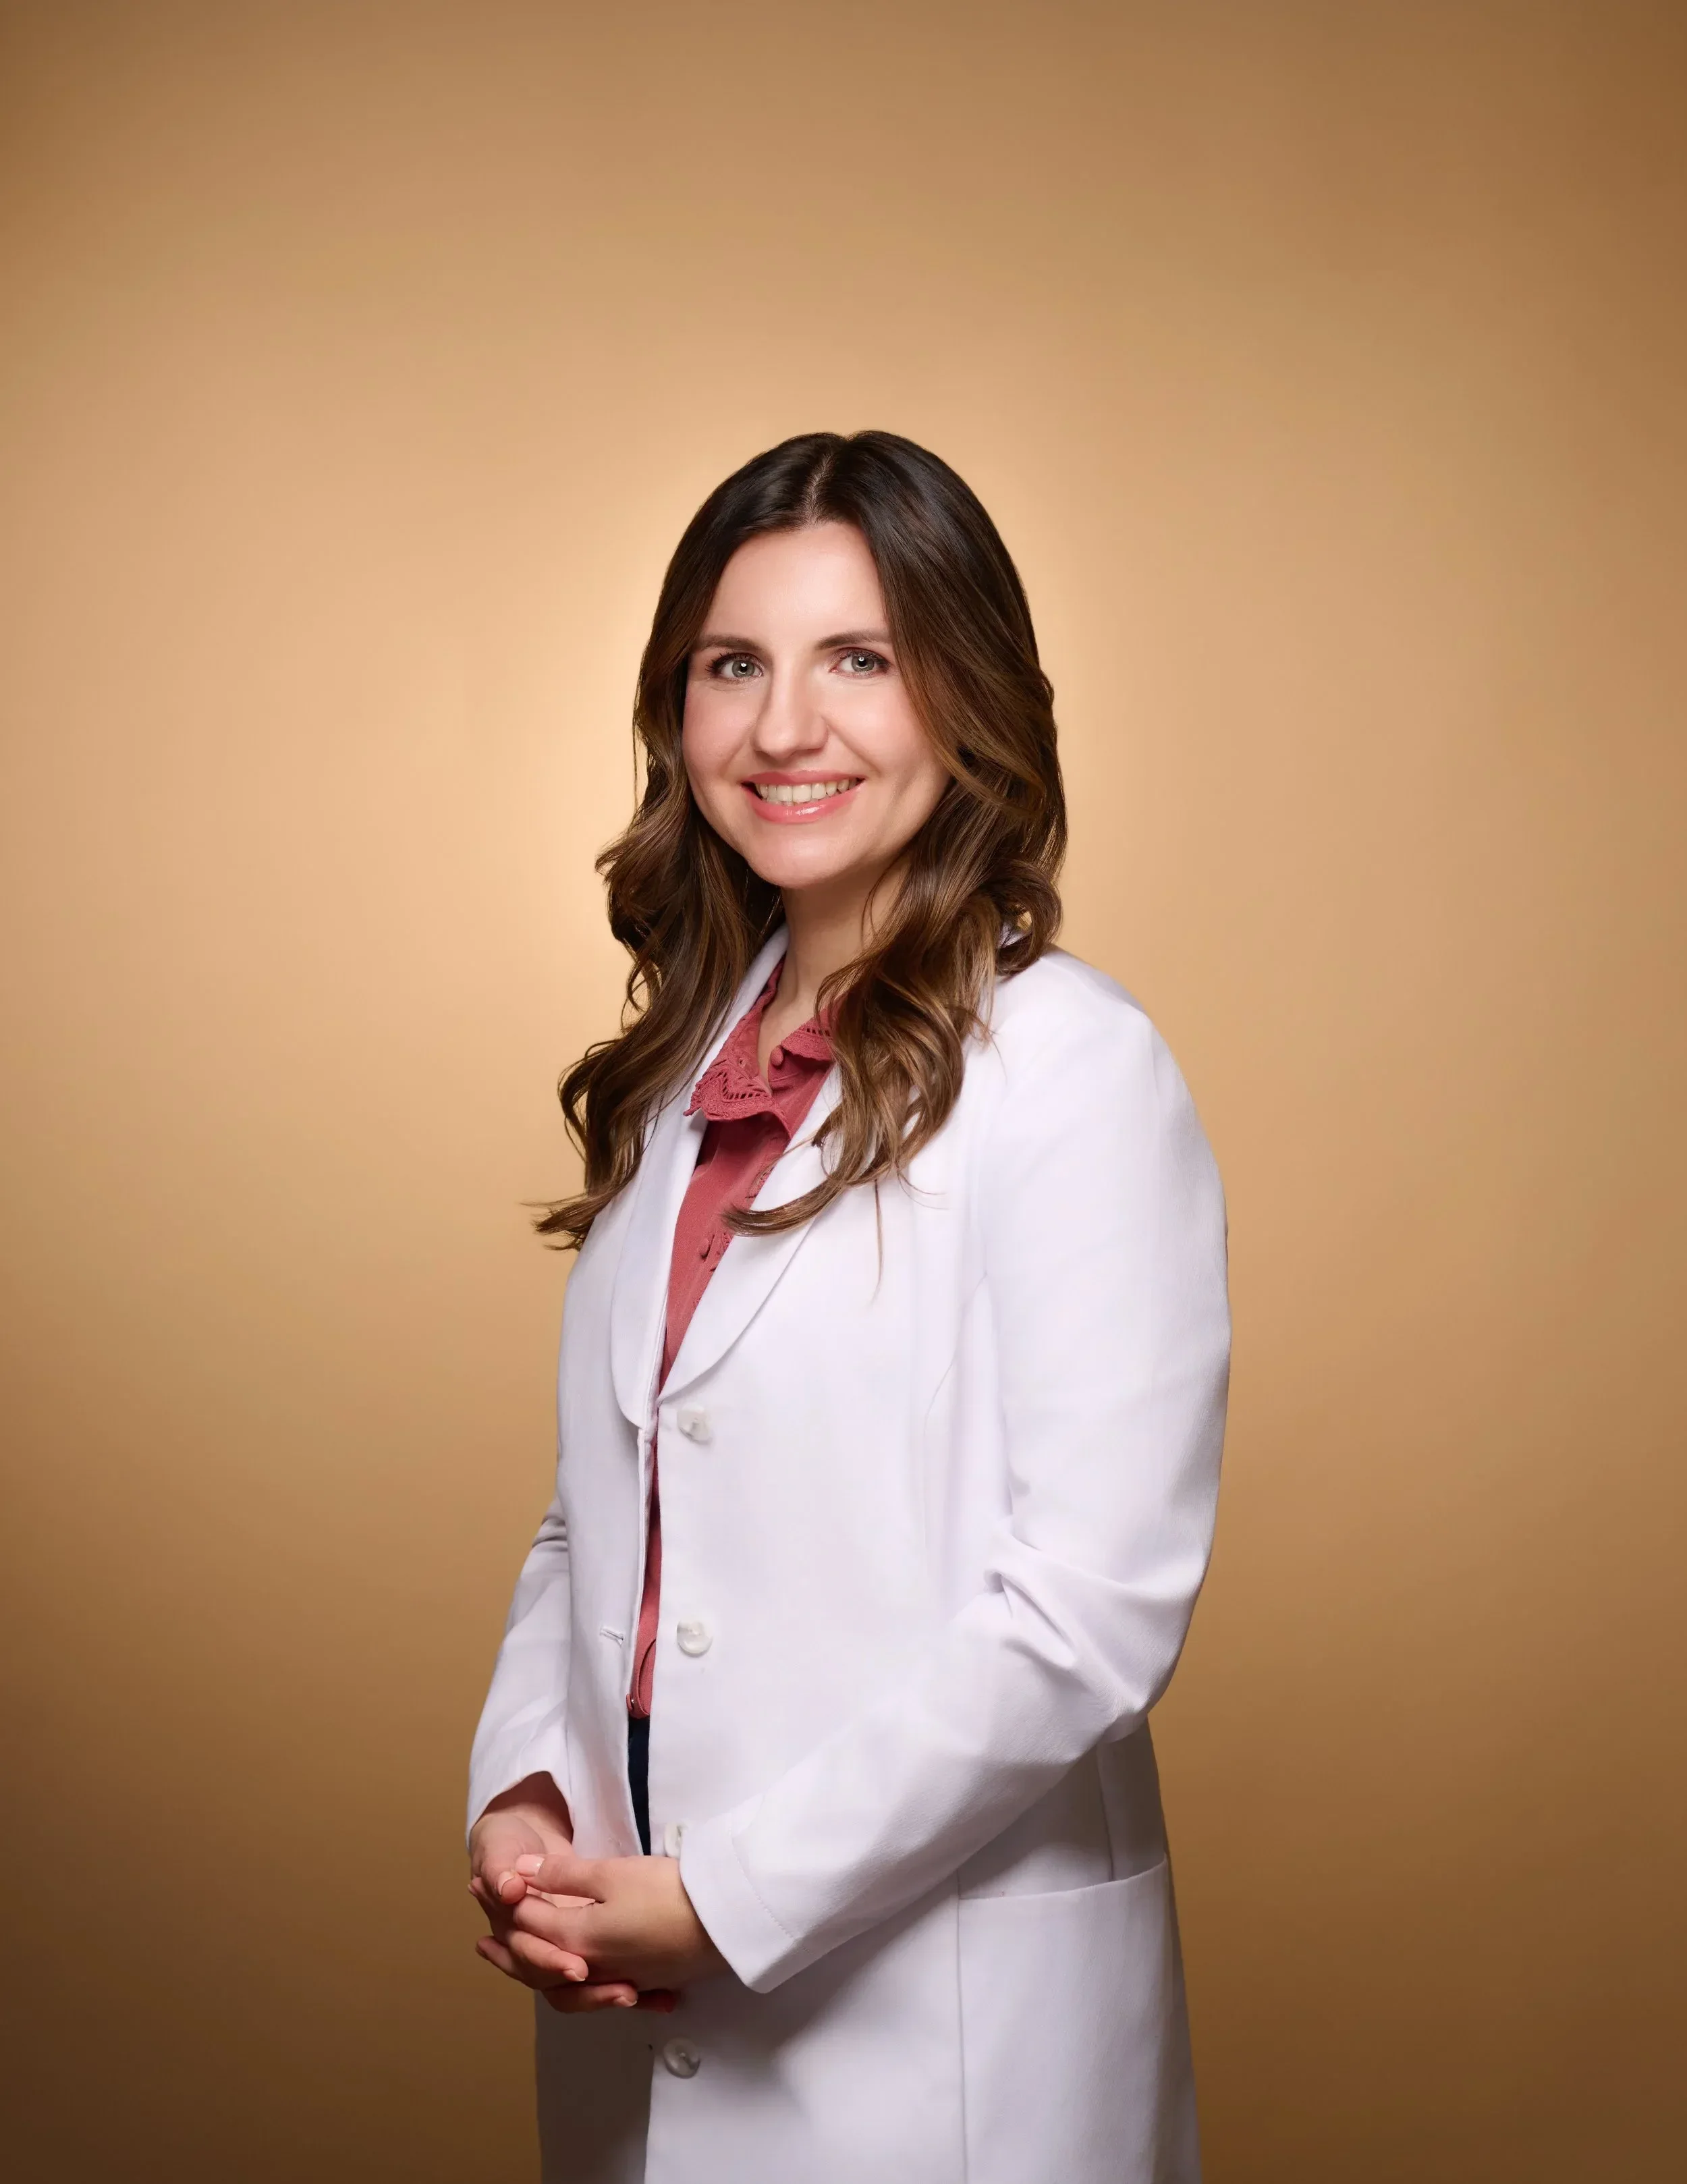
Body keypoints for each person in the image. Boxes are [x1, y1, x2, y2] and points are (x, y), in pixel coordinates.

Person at [466, 429, 1230, 2184]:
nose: (783, 727)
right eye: (733, 664)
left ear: (968, 700)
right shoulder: (683, 1077)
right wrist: (527, 1796)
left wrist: (723, 1895)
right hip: (639, 2031)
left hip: (942, 2060)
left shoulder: (1070, 1072)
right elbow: (608, 1523)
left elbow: (1087, 1613)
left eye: (857, 660)